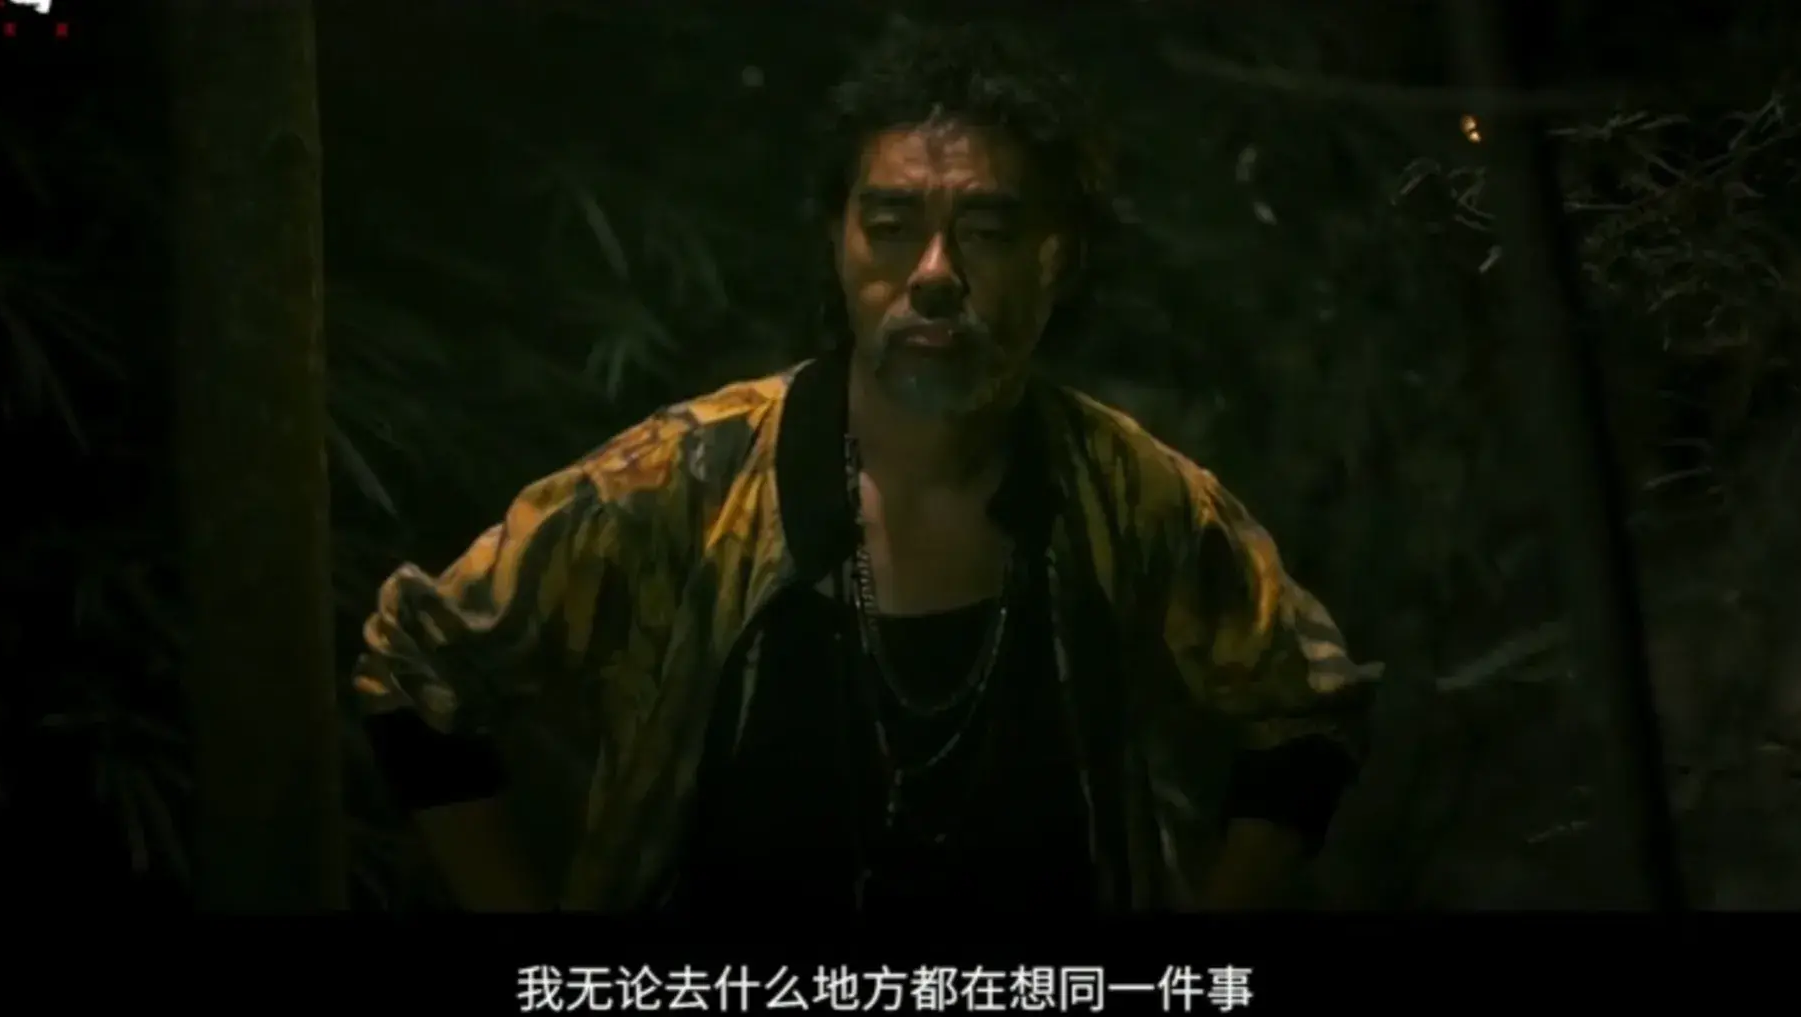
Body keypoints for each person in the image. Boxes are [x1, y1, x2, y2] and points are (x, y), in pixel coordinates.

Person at [356, 20, 1379, 914]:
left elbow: (1307, 700)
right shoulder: (688, 479)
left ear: (1057, 256)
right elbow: (416, 666)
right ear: (838, 243)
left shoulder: (1126, 491)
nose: (933, 275)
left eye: (986, 231)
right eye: (891, 227)